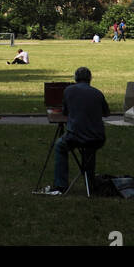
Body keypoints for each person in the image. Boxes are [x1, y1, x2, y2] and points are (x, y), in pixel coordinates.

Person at [48, 66, 110, 196]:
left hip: (75, 136)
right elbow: (106, 113)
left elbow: (65, 112)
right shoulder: (98, 93)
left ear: (76, 78)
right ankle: (90, 182)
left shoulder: (68, 91)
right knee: (89, 150)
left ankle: (61, 184)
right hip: (97, 138)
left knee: (60, 146)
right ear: (90, 79)